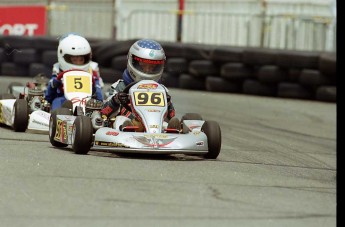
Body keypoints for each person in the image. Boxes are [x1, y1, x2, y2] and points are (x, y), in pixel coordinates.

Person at [100, 39, 180, 131]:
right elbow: (103, 113)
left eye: (152, 67)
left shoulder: (161, 90)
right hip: (126, 124)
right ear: (132, 61)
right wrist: (115, 100)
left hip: (154, 125)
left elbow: (171, 116)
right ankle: (128, 129)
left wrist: (168, 104)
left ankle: (172, 131)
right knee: (120, 120)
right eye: (143, 65)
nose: (147, 71)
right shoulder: (119, 86)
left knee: (165, 123)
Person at [44, 33, 103, 110]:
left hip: (88, 102)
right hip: (64, 100)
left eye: (81, 60)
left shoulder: (92, 71)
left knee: (97, 105)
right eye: (74, 60)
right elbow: (48, 97)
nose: (78, 62)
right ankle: (58, 119)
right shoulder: (58, 70)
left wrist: (95, 88)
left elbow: (100, 98)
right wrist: (54, 84)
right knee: (56, 102)